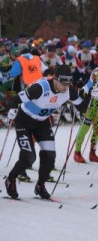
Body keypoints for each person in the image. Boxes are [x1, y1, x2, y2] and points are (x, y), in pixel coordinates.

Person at [4, 65, 84, 200]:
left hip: (42, 123)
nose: (66, 87)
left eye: (69, 84)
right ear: (55, 79)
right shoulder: (40, 88)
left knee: (50, 156)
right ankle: (11, 178)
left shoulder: (69, 90)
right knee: (29, 157)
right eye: (63, 84)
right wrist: (12, 109)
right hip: (24, 120)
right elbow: (15, 99)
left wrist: (91, 93)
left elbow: (83, 106)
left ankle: (40, 185)